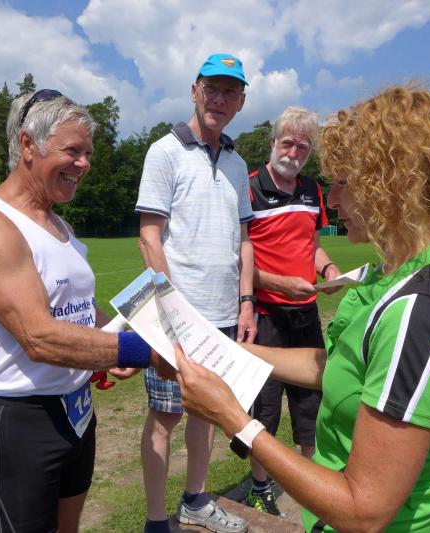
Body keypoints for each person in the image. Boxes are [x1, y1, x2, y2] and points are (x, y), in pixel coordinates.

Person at [174, 85, 430, 532]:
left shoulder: (418, 313)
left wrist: (233, 418)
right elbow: (339, 368)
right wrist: (225, 351)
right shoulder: (397, 273)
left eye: (343, 182)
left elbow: (364, 511)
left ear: (393, 186)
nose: (333, 199)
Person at [0, 90, 156, 533]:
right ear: (27, 144)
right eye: (72, 151)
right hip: (17, 414)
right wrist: (145, 352)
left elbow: (80, 313)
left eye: (88, 153)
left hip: (75, 407)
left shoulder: (60, 225)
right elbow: (39, 337)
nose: (84, 164)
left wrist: (117, 338)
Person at [135, 53, 256, 533]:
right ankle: (155, 520)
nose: (219, 99)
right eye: (212, 88)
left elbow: (244, 240)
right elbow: (150, 237)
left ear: (241, 102)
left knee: (206, 414)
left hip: (223, 314)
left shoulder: (238, 163)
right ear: (194, 90)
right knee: (164, 417)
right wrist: (170, 311)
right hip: (175, 318)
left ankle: (196, 500)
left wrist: (246, 302)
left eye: (230, 92)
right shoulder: (164, 151)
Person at [245, 106, 343, 515]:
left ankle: (313, 492)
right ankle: (260, 488)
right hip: (266, 315)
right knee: (264, 410)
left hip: (306, 315)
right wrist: (279, 283)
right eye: (287, 143)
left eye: (303, 147)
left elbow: (312, 245)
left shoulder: (312, 190)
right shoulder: (248, 187)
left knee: (311, 407)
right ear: (273, 142)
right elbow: (238, 263)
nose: (293, 152)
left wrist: (329, 269)